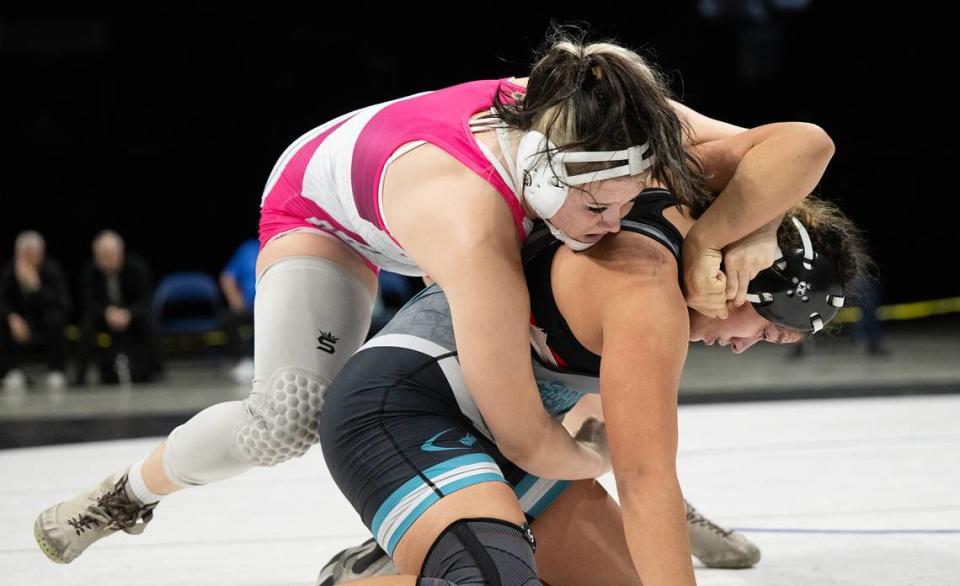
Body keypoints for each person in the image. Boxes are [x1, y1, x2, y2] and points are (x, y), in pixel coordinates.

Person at [34, 28, 834, 568]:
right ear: (551, 179)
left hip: (486, 193)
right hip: (333, 214)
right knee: (283, 421)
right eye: (602, 207)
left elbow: (799, 145)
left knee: (618, 299)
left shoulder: (609, 120)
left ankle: (627, 484)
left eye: (633, 200)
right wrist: (624, 470)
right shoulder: (472, 228)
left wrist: (716, 236)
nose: (619, 222)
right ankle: (126, 494)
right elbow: (522, 433)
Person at [317, 191, 870, 585]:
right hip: (402, 409)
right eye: (767, 330)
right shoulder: (647, 291)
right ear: (751, 282)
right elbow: (644, 477)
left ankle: (443, 539)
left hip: (498, 436)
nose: (747, 345)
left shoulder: (666, 242)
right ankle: (447, 551)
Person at [75, 230, 164, 386]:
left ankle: (156, 370)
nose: (104, 261)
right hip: (104, 318)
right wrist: (106, 313)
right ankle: (80, 376)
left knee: (151, 321)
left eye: (108, 256)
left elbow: (145, 301)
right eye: (100, 257)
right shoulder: (90, 272)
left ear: (120, 254)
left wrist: (128, 313)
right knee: (87, 324)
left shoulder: (137, 268)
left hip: (131, 316)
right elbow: (89, 303)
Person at [0, 230, 71, 393]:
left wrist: (35, 287)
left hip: (44, 320)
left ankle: (56, 370)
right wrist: (13, 318)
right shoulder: (10, 271)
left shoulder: (51, 269)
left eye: (31, 254)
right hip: (20, 322)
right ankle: (11, 370)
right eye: (22, 254)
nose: (26, 259)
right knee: (3, 323)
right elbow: (3, 301)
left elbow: (61, 303)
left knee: (55, 320)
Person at [219, 238, 259, 384]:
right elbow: (227, 277)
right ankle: (244, 359)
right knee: (231, 319)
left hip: (275, 304)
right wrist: (235, 299)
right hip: (248, 306)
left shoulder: (281, 245)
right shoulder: (248, 249)